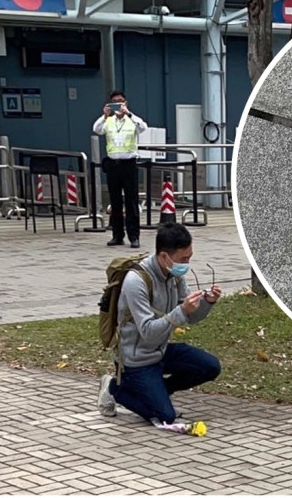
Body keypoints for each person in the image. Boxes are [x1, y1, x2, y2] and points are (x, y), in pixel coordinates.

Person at [97, 222, 222, 425]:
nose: (187, 264)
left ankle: (158, 391)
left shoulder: (174, 275)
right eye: (183, 259)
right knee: (165, 417)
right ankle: (115, 388)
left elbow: (190, 317)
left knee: (210, 366)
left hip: (160, 351)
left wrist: (207, 303)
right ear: (164, 256)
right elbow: (148, 332)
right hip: (135, 360)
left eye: (189, 257)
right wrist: (181, 311)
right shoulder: (136, 281)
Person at [93, 90, 147, 249]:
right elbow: (96, 129)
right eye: (115, 101)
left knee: (131, 202)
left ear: (126, 103)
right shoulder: (108, 121)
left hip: (129, 164)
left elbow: (143, 127)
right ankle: (117, 235)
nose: (119, 104)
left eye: (121, 101)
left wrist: (128, 114)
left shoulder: (132, 120)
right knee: (115, 202)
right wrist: (104, 115)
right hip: (113, 164)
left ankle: (134, 236)